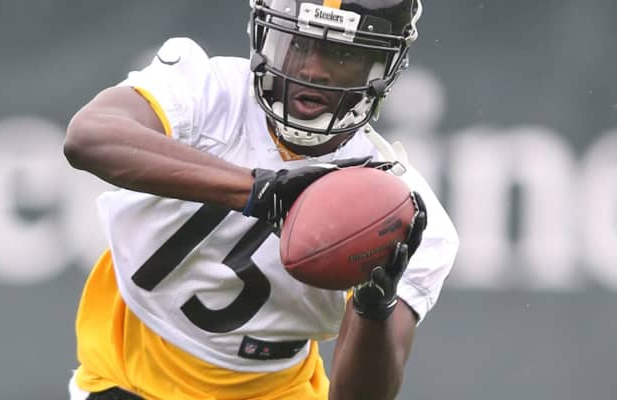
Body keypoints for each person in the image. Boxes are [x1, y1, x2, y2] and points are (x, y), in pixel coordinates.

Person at [63, 0, 459, 399]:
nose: (313, 69)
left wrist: (374, 308)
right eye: (298, 43)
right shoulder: (210, 91)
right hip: (127, 371)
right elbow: (89, 137)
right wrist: (258, 190)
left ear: (379, 68)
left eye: (341, 54)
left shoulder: (403, 209)